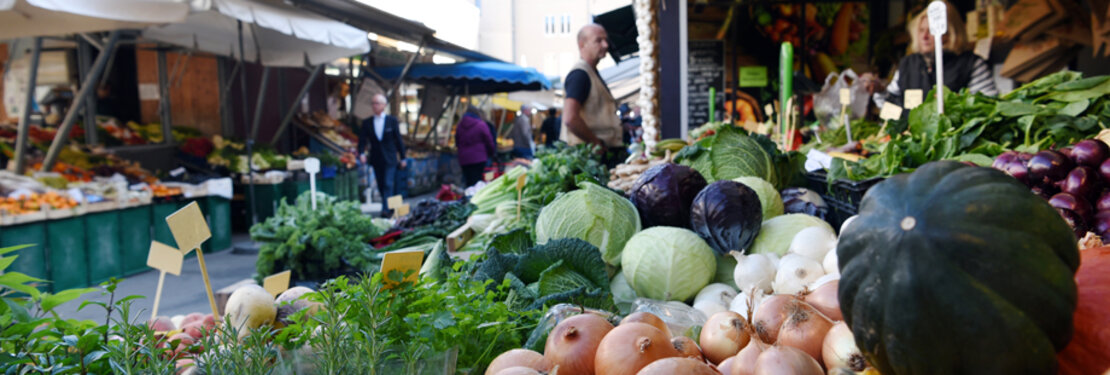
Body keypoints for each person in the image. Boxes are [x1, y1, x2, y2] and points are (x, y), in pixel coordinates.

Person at [862, 2, 997, 109]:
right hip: (912, 140)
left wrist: (956, 104)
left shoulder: (971, 64)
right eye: (921, 30)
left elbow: (988, 106)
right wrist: (879, 90)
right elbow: (891, 107)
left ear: (950, 32)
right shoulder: (907, 64)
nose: (924, 36)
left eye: (932, 30)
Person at [562, 23, 625, 167]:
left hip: (597, 155)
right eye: (598, 40)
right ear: (582, 44)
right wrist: (595, 142)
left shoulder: (591, 73)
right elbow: (570, 118)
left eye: (606, 40)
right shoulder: (580, 75)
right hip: (590, 158)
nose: (605, 45)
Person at [358, 94, 406, 217]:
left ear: (384, 105)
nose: (375, 106)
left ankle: (386, 209)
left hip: (390, 158)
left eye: (377, 103)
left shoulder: (392, 121)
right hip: (376, 157)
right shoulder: (367, 123)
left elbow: (398, 140)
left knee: (388, 183)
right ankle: (389, 208)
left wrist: (403, 157)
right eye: (373, 103)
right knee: (380, 183)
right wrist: (361, 153)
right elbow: (362, 140)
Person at [455, 105, 496, 187]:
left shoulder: (459, 125)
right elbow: (489, 141)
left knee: (468, 182)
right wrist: (492, 153)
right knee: (477, 183)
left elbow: (457, 141)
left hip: (464, 158)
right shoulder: (481, 125)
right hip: (479, 158)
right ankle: (474, 198)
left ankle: (468, 197)